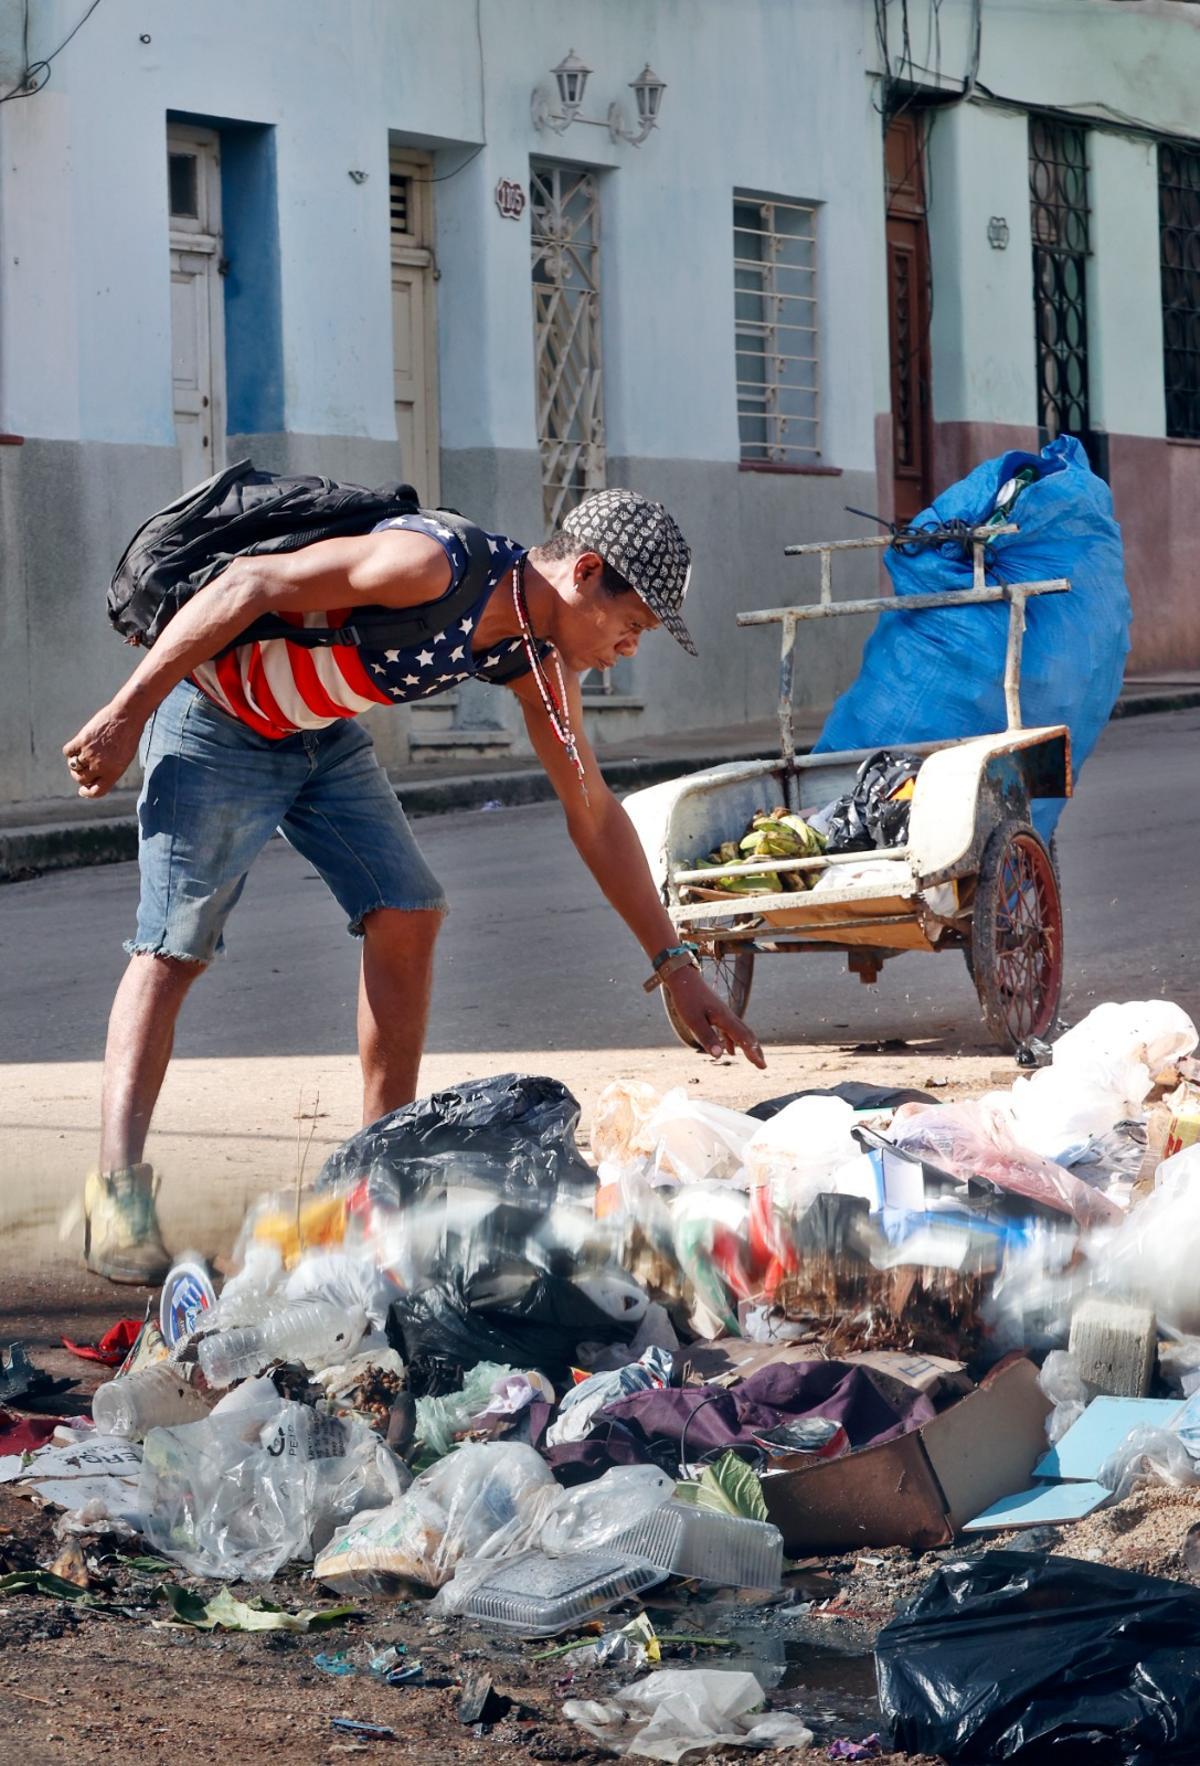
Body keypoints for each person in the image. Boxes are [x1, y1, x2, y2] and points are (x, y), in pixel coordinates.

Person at [63, 486, 765, 1283]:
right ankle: (115, 1200)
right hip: (217, 719)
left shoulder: (532, 654)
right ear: (586, 572)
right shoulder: (433, 563)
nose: (631, 648)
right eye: (633, 624)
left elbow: (593, 811)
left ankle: (376, 1176)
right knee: (174, 947)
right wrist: (125, 715)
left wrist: (676, 965)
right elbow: (248, 585)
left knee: (409, 908)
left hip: (318, 734)